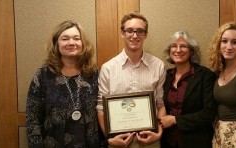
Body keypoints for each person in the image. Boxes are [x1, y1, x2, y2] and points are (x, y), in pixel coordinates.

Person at [26, 20, 102, 147]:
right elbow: (33, 120)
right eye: (65, 38)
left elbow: (103, 112)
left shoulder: (94, 75)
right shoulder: (43, 76)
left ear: (83, 44)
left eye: (76, 38)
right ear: (56, 44)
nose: (71, 43)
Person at [96, 11, 166, 148]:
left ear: (145, 35)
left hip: (149, 139)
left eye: (140, 31)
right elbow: (101, 107)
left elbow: (160, 103)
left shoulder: (158, 65)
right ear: (123, 33)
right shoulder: (108, 68)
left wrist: (159, 132)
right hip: (118, 141)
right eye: (129, 31)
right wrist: (109, 138)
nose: (135, 35)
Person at [159, 31, 217, 148]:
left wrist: (176, 120)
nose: (178, 50)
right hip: (168, 141)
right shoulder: (165, 75)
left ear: (191, 51)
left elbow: (209, 113)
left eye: (183, 46)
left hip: (196, 141)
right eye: (174, 46)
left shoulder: (205, 76)